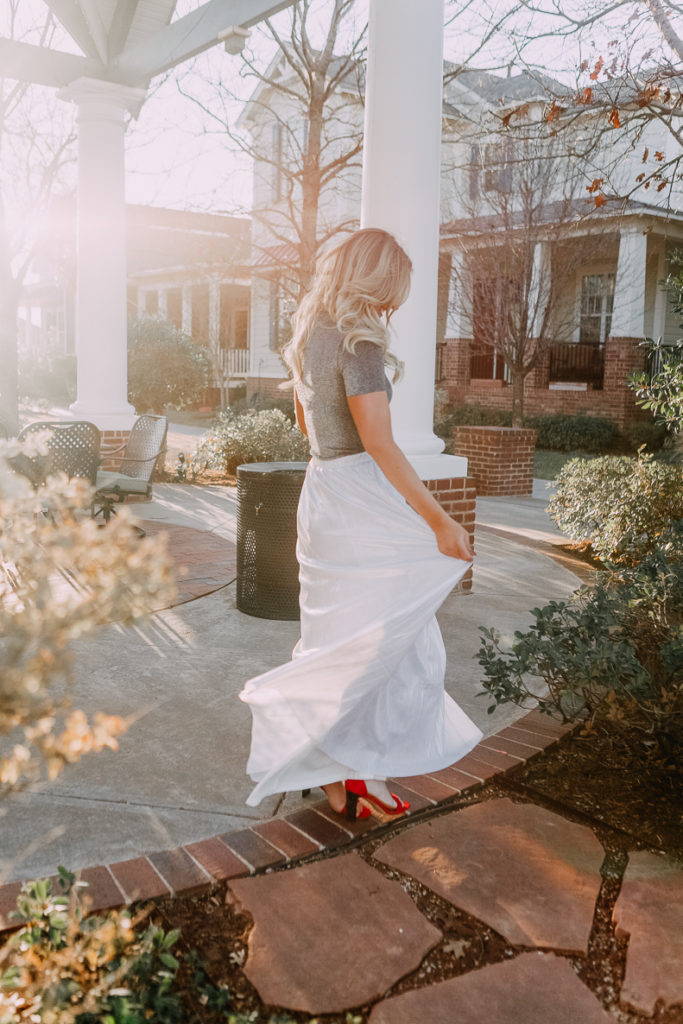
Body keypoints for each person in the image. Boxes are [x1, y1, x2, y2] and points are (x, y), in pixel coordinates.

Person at [239, 228, 483, 822]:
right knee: (398, 641)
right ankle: (347, 766)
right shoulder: (359, 341)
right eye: (394, 289)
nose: (395, 304)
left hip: (322, 493)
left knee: (340, 638)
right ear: (376, 281)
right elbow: (379, 444)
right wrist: (440, 520)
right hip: (356, 499)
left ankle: (339, 772)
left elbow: (309, 428)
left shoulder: (307, 336)